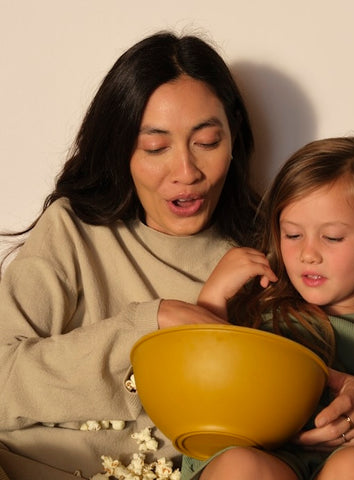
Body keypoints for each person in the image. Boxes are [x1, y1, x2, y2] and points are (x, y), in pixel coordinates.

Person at [0, 30, 266, 480]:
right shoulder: (73, 229)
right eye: (155, 147)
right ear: (121, 148)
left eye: (206, 142)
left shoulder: (264, 259)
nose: (186, 172)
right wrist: (148, 324)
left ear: (234, 137)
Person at [182, 136, 354, 480]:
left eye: (332, 237)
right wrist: (212, 298)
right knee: (239, 467)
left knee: (353, 465)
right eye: (293, 235)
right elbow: (196, 387)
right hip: (270, 458)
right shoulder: (257, 315)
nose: (308, 254)